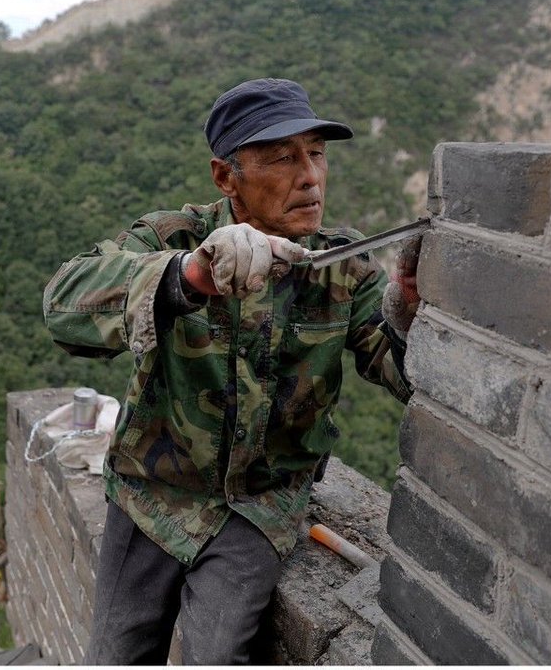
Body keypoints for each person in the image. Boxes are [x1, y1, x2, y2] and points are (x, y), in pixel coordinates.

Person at [43, 77, 422, 664]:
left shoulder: (342, 266)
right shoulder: (175, 238)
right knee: (115, 654)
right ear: (226, 176)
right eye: (282, 158)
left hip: (259, 506)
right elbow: (63, 305)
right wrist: (188, 276)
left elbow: (403, 374)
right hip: (151, 493)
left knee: (217, 655)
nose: (310, 177)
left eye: (316, 154)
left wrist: (409, 310)